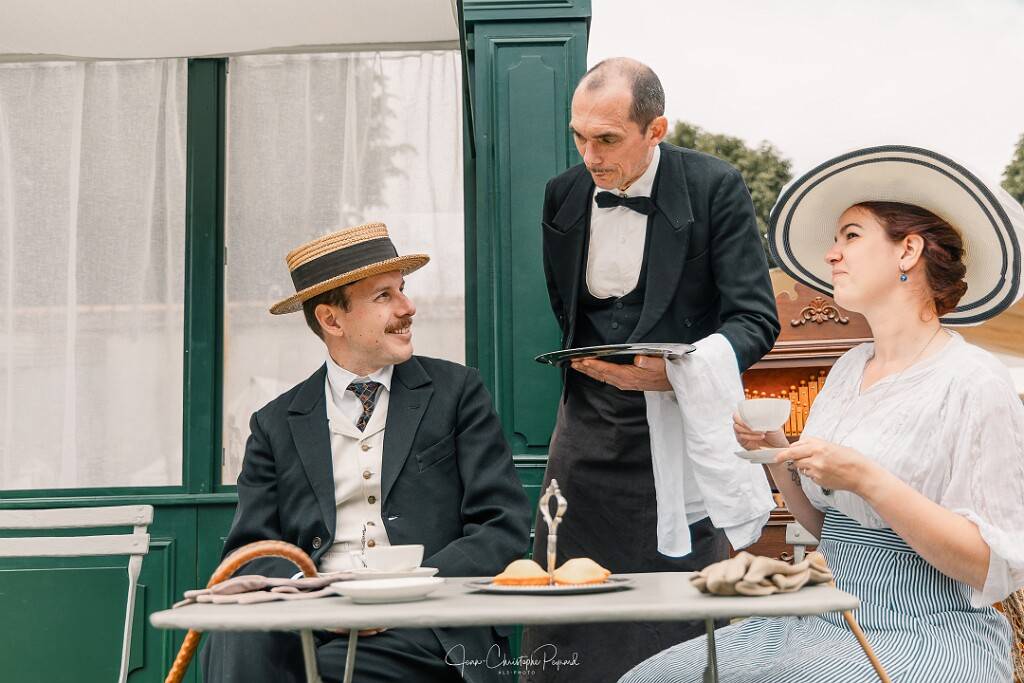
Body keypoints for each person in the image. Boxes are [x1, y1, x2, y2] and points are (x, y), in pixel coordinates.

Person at [620, 145, 1024, 682]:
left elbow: (988, 565)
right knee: (651, 677)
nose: (832, 254)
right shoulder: (848, 369)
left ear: (908, 251)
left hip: (925, 631)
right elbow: (825, 525)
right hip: (817, 616)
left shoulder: (975, 381)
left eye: (850, 236)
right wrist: (777, 453)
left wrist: (867, 479)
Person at [522, 57, 780, 681]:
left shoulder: (714, 186)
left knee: (680, 608)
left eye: (607, 139)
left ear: (656, 129)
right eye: (578, 137)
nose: (589, 156)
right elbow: (568, 308)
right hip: (585, 434)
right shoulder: (562, 194)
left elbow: (754, 318)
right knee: (568, 603)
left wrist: (679, 374)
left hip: (681, 429)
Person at [201, 222, 532, 683]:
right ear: (331, 320)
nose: (407, 308)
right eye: (383, 296)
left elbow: (502, 526)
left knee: (321, 672)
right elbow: (249, 551)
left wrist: (404, 589)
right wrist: (311, 599)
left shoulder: (457, 393)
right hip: (312, 619)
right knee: (234, 636)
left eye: (402, 290)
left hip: (426, 622)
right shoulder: (274, 424)